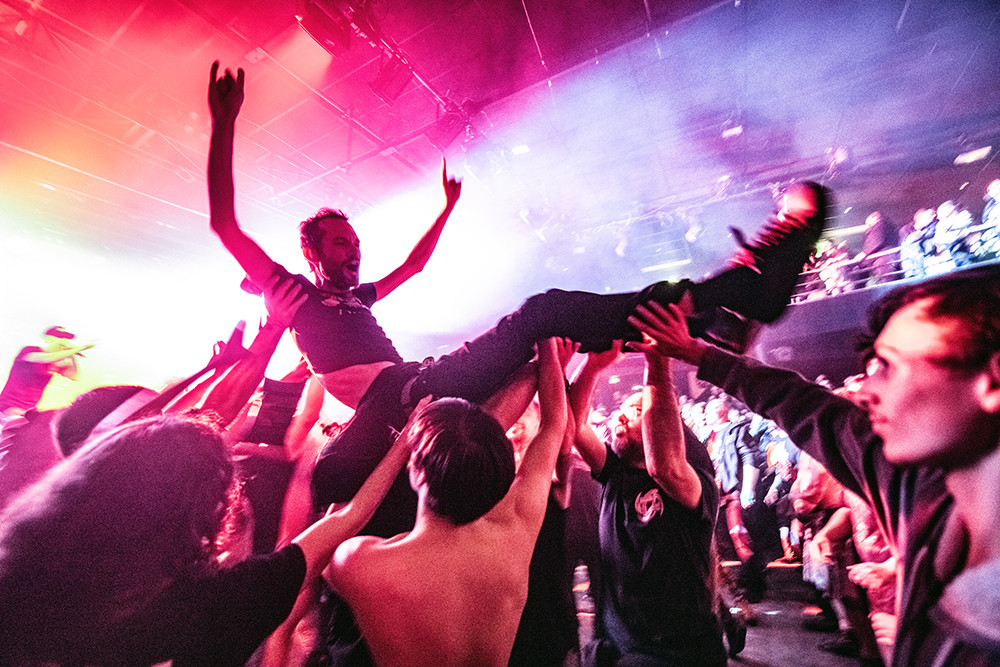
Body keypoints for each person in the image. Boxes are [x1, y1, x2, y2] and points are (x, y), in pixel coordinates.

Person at [637, 264, 1000, 665]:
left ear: (993, 379)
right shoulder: (908, 483)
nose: (867, 390)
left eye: (890, 367)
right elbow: (809, 408)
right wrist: (694, 352)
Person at [0, 410, 412, 667]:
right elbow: (347, 518)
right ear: (209, 510)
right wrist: (405, 441)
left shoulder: (29, 564)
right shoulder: (221, 600)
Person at [323, 338, 570, 667]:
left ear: (415, 469)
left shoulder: (361, 564)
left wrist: (402, 445)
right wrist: (548, 347)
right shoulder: (515, 535)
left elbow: (336, 524)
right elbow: (554, 426)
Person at [568, 311, 726, 666]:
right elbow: (574, 427)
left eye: (637, 410)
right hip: (617, 649)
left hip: (677, 656)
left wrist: (656, 362)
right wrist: (592, 366)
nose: (620, 415)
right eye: (622, 408)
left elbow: (665, 465)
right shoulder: (614, 473)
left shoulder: (690, 483)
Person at [0, 326, 94, 426]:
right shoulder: (29, 350)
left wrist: (71, 355)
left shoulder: (58, 360)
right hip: (8, 408)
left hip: (28, 411)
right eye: (61, 338)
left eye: (66, 339)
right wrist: (80, 348)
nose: (64, 341)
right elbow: (47, 358)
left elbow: (73, 376)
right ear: (49, 339)